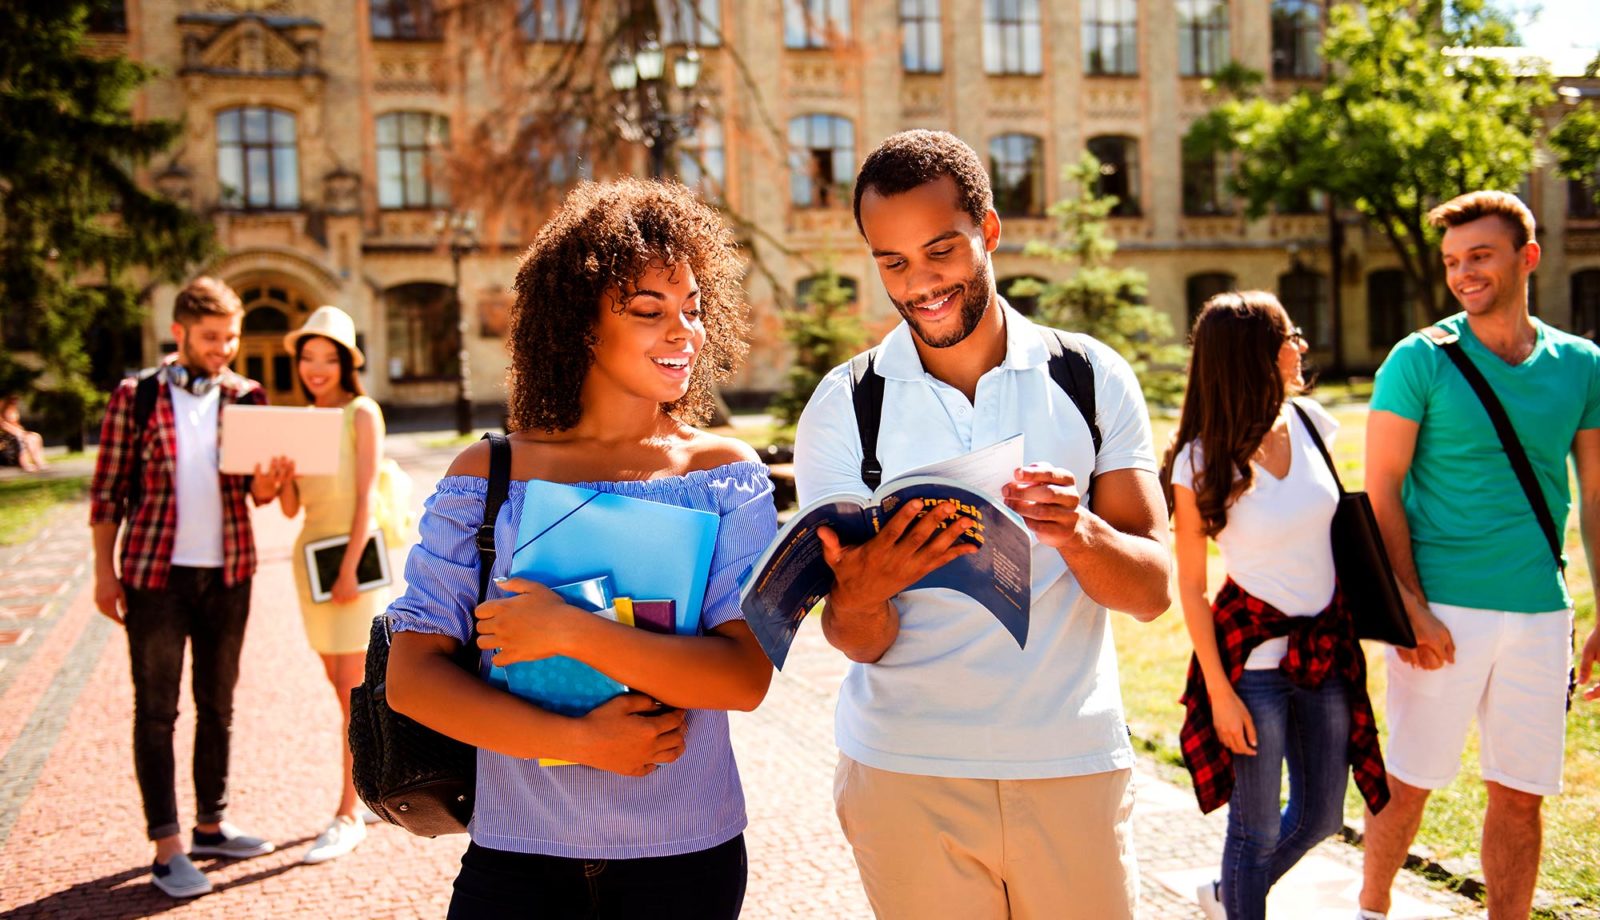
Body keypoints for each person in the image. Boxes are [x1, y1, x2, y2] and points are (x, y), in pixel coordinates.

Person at [791, 129, 1171, 919]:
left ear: (989, 233)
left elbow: (1153, 591)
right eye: (892, 262)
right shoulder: (844, 406)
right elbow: (855, 638)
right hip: (905, 774)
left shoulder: (1091, 376)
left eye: (941, 252)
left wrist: (1078, 533)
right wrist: (864, 593)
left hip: (1071, 763)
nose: (920, 284)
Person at [384, 177, 777, 919]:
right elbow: (413, 678)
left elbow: (742, 679)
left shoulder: (723, 475)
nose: (684, 332)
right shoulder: (488, 476)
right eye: (649, 311)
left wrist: (570, 630)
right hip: (517, 859)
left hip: (685, 858)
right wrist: (581, 741)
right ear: (583, 326)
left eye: (693, 309)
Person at [1358, 191, 1600, 920]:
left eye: (1480, 256)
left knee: (1521, 797)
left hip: (1539, 613)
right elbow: (1380, 493)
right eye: (1453, 262)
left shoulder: (1582, 364)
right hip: (1442, 613)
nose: (1463, 274)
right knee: (1409, 781)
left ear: (1528, 257)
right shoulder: (1419, 360)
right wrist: (1409, 607)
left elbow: (1596, 496)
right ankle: (1370, 907)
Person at [1162, 292, 1388, 920]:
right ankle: (1240, 899)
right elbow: (1192, 587)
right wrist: (1220, 692)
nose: (1302, 347)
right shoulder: (1200, 460)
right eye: (1291, 335)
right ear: (1256, 353)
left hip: (1326, 652)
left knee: (1321, 816)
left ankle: (1228, 893)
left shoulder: (1315, 423)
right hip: (1252, 666)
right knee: (1253, 832)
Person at [89, 276, 292, 898]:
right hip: (155, 575)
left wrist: (273, 479)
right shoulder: (137, 397)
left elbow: (256, 497)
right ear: (178, 333)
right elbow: (107, 493)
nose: (224, 348)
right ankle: (167, 845)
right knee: (157, 711)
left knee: (219, 704)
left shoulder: (248, 396)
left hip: (229, 572)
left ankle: (211, 822)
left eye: (231, 336)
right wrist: (104, 572)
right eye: (211, 337)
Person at [273, 306, 386, 863]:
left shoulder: (360, 412)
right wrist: (274, 479)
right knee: (339, 690)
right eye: (307, 357)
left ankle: (347, 811)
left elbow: (365, 495)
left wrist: (349, 567)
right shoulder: (300, 420)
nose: (316, 368)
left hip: (354, 564)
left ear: (345, 362)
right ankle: (366, 786)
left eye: (328, 357)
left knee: (350, 689)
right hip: (310, 563)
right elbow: (291, 506)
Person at [1, 395, 47, 471]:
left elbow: (18, 427)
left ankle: (38, 461)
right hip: (8, 439)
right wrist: (21, 433)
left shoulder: (14, 413)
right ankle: (24, 463)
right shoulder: (3, 416)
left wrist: (24, 433)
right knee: (23, 438)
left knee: (35, 436)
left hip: (18, 433)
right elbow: (6, 428)